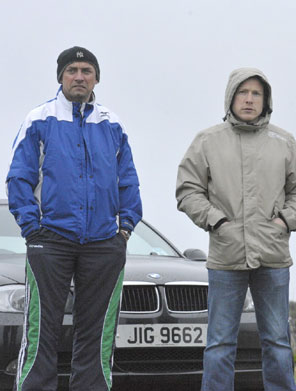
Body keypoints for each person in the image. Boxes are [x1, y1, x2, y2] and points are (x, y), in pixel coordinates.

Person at [7, 46, 142, 391]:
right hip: (50, 240)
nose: (79, 76)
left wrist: (125, 229)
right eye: (71, 70)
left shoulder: (112, 124)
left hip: (103, 244)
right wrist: (30, 227)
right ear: (61, 77)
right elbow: (19, 178)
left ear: (96, 77)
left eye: (86, 70)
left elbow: (128, 180)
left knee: (97, 336)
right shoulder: (40, 119)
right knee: (41, 332)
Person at [176, 67, 296, 391]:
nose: (249, 99)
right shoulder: (207, 141)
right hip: (226, 257)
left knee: (278, 342)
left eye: (256, 93)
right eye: (243, 92)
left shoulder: (284, 142)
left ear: (265, 100)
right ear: (230, 97)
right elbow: (187, 189)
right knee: (220, 344)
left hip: (273, 256)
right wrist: (217, 221)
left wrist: (284, 222)